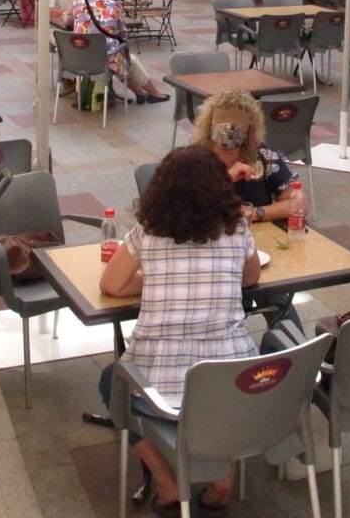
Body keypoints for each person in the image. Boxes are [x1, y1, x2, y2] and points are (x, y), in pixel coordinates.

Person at [98, 146, 260, 516]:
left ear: (162, 189)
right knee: (227, 383)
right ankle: (222, 480)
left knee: (111, 382)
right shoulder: (237, 228)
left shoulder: (147, 231)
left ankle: (168, 486)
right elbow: (250, 278)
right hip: (233, 386)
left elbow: (113, 285)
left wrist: (155, 279)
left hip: (161, 392)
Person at [191, 89, 300, 223]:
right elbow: (187, 208)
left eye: (237, 125)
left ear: (249, 129)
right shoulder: (194, 159)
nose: (229, 130)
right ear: (209, 125)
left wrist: (255, 213)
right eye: (222, 124)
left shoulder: (262, 155)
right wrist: (229, 177)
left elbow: (298, 203)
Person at [65, 0, 170, 103]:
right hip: (104, 58)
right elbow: (123, 33)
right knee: (125, 59)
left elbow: (67, 21)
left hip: (79, 57)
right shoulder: (114, 5)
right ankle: (154, 93)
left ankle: (140, 93)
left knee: (119, 58)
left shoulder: (78, 2)